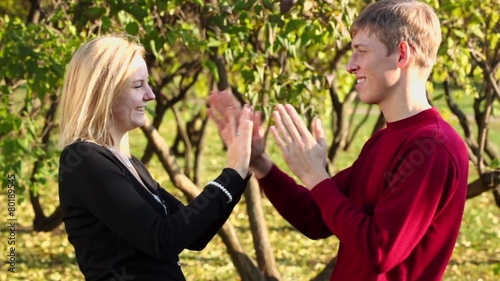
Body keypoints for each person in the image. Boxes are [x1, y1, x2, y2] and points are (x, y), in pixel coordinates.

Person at [208, 0, 469, 279]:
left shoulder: (433, 148)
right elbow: (315, 217)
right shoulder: (382, 141)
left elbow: (380, 251)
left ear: (401, 55)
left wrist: (316, 176)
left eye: (361, 51)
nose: (349, 65)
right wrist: (261, 163)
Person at [57, 35, 254, 280]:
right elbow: (163, 239)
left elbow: (194, 235)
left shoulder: (129, 163)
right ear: (103, 91)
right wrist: (230, 175)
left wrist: (242, 168)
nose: (151, 95)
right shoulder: (84, 160)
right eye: (138, 85)